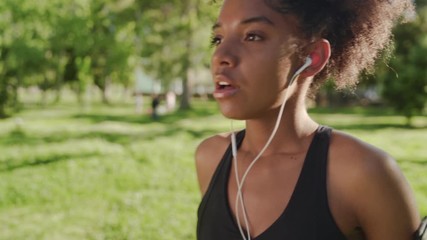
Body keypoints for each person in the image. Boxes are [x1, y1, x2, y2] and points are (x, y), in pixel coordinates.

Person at [195, 0, 421, 239]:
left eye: (252, 36)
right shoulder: (210, 157)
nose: (221, 56)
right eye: (217, 39)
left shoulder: (363, 172)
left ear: (312, 57)